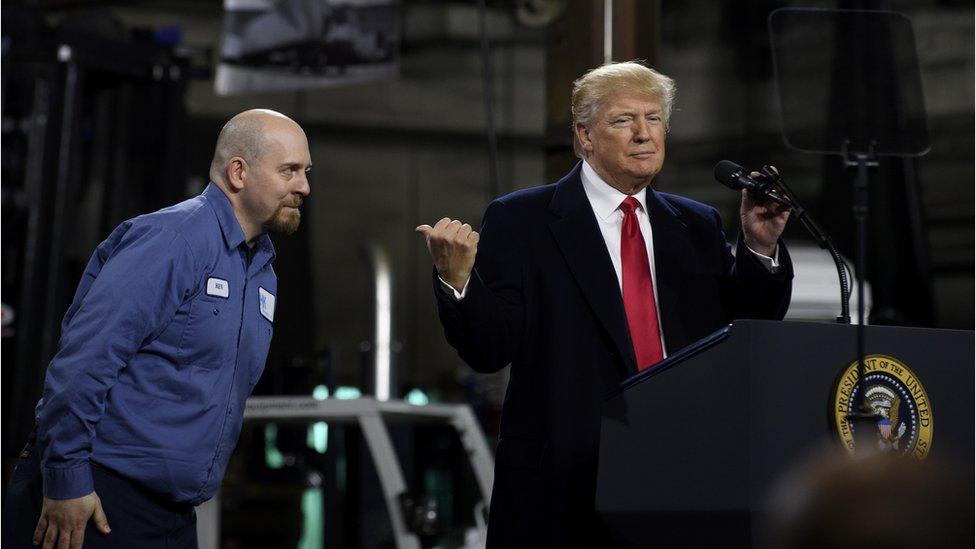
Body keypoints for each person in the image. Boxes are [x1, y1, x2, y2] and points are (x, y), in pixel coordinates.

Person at [416, 61, 793, 547]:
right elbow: (490, 349)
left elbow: (749, 328)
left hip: (679, 476)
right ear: (584, 136)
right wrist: (457, 279)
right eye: (623, 120)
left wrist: (758, 247)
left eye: (654, 119)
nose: (643, 134)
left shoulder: (695, 224)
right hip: (565, 485)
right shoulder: (522, 218)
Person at [3, 109, 312, 549]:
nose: (303, 186)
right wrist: (68, 479)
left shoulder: (261, 269)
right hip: (95, 501)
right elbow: (84, 362)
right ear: (238, 172)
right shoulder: (173, 240)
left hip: (172, 516)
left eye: (305, 171)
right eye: (290, 171)